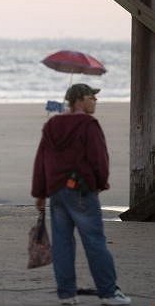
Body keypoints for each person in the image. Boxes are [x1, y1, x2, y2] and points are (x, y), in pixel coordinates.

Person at [32, 84, 131, 306]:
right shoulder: (89, 124)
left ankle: (67, 295)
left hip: (57, 190)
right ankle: (108, 293)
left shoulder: (52, 124)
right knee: (94, 241)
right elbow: (99, 158)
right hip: (82, 190)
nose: (95, 101)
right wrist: (100, 183)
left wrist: (40, 193)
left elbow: (41, 159)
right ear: (78, 99)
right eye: (91, 97)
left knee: (63, 243)